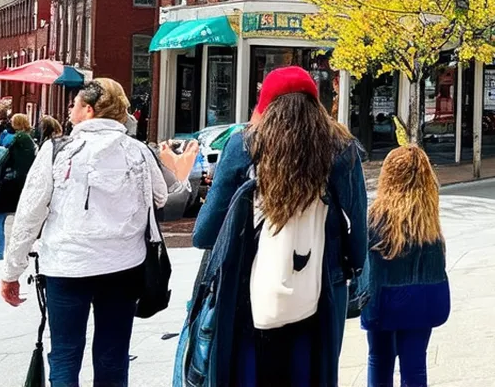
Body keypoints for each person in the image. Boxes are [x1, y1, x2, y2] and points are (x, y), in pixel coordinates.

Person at [192, 66, 367, 386]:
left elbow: (204, 234)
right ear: (316, 105)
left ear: (265, 107)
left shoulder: (242, 146)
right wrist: (354, 268)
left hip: (250, 288)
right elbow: (357, 228)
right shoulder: (342, 149)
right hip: (325, 285)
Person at [0, 79, 168, 387]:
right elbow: (160, 197)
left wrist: (12, 270)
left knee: (65, 354)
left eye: (74, 103)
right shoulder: (138, 151)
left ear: (89, 110)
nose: (69, 108)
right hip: (123, 265)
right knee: (113, 355)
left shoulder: (57, 150)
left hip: (67, 265)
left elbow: (30, 213)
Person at [362, 144, 450, 387]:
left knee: (379, 359)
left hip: (382, 302)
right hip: (422, 302)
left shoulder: (375, 218)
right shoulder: (428, 220)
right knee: (415, 365)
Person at [0, 113, 37, 260]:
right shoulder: (30, 140)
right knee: (20, 219)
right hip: (21, 185)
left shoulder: (11, 138)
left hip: (5, 184)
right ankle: (19, 250)